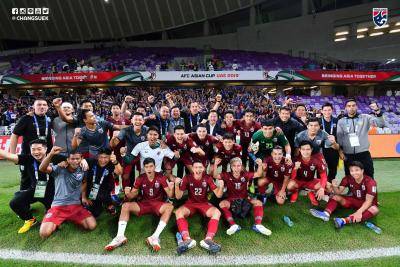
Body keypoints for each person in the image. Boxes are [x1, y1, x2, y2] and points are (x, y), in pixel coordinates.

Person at [104, 158, 174, 252]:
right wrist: (128, 193)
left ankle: (155, 237)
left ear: (155, 167)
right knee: (125, 206)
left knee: (170, 207)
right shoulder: (140, 178)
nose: (149, 169)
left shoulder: (161, 177)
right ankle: (120, 236)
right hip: (144, 204)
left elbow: (170, 195)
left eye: (151, 166)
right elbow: (132, 195)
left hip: (158, 204)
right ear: (144, 168)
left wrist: (172, 188)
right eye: (146, 167)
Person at [38, 147, 96, 239]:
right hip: (58, 207)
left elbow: (84, 182)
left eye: (77, 159)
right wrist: (51, 154)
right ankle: (54, 219)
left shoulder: (83, 169)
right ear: (68, 159)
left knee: (91, 226)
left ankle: (68, 219)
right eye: (72, 159)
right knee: (44, 234)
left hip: (75, 206)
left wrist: (84, 197)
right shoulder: (59, 168)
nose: (75, 161)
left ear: (81, 159)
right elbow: (42, 168)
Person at [0, 139, 54, 234]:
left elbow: (72, 159)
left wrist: (83, 161)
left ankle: (49, 210)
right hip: (36, 190)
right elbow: (8, 155)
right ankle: (30, 220)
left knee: (53, 221)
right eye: (33, 149)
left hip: (52, 193)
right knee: (15, 202)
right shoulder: (28, 159)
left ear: (46, 149)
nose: (36, 152)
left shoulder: (54, 158)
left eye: (39, 149)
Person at [309, 161, 379, 229]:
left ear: (362, 171)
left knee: (374, 209)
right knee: (335, 197)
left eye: (357, 170)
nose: (354, 173)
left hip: (367, 204)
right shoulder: (347, 178)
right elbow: (338, 192)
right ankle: (326, 214)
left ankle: (343, 221)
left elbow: (368, 201)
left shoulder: (370, 182)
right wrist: (334, 186)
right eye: (352, 171)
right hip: (355, 201)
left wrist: (359, 212)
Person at [174, 161, 224, 254]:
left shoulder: (208, 178)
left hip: (204, 203)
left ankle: (208, 239)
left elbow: (218, 195)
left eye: (200, 167)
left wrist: (221, 187)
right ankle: (187, 239)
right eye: (196, 167)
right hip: (190, 203)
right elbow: (178, 196)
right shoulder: (187, 178)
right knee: (178, 212)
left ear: (203, 168)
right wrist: (176, 185)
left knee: (217, 212)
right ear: (192, 169)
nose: (198, 169)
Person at [213, 157, 271, 236]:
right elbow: (215, 175)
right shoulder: (227, 175)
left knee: (258, 202)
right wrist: (215, 164)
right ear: (231, 167)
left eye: (238, 166)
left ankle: (258, 225)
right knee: (222, 204)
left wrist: (260, 165)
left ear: (241, 166)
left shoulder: (245, 174)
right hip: (231, 199)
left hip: (244, 199)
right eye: (234, 166)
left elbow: (258, 174)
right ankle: (233, 225)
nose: (236, 168)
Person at [337, 99, 386, 178]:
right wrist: (340, 151)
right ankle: (352, 191)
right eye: (349, 106)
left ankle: (370, 190)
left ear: (357, 107)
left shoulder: (365, 117)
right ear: (345, 108)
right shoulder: (341, 121)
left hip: (363, 154)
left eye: (353, 105)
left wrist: (377, 110)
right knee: (350, 177)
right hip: (348, 155)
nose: (351, 108)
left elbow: (381, 124)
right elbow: (339, 138)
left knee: (369, 175)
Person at [81, 148, 122, 217]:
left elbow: (119, 172)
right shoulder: (92, 161)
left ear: (109, 157)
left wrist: (115, 162)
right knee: (95, 213)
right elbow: (82, 160)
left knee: (102, 196)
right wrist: (83, 161)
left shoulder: (111, 164)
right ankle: (106, 202)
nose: (103, 160)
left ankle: (110, 203)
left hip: (105, 189)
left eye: (106, 157)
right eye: (101, 157)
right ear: (97, 156)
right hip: (92, 189)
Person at [287, 141, 328, 206]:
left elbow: (324, 176)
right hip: (298, 181)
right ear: (300, 150)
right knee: (289, 186)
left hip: (310, 181)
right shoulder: (295, 160)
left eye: (308, 149)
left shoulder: (316, 160)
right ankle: (295, 191)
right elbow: (292, 177)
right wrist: (295, 169)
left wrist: (322, 188)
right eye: (303, 149)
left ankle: (312, 193)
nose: (305, 152)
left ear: (311, 150)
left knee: (327, 185)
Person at [320, 103, 340, 182]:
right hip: (322, 149)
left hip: (333, 148)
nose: (327, 112)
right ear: (322, 111)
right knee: (321, 169)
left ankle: (329, 186)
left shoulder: (336, 121)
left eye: (329, 110)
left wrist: (339, 148)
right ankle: (322, 187)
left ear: (332, 110)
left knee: (333, 169)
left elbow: (340, 135)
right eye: (325, 110)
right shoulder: (318, 121)